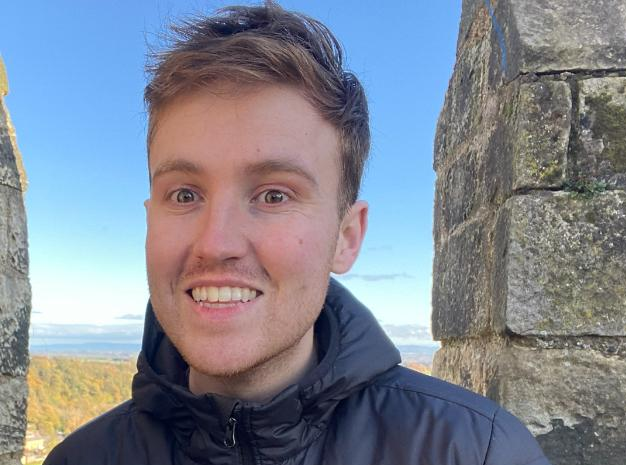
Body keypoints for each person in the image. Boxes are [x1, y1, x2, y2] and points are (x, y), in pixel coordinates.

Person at [45, 3, 551, 464]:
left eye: (273, 195)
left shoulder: (474, 452)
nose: (216, 243)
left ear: (347, 236)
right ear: (150, 219)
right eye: (185, 195)